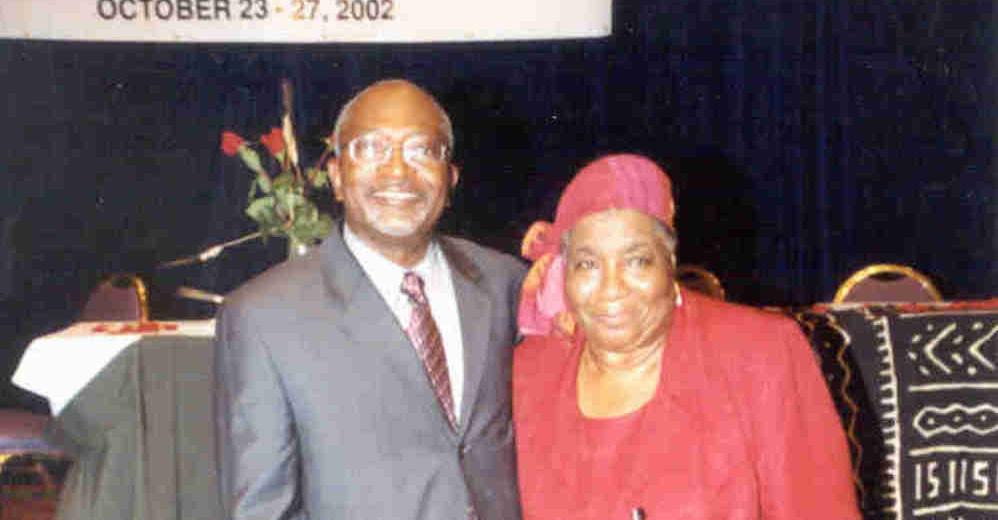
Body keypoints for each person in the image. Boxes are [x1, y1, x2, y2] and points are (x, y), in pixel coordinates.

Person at [214, 79, 527, 520]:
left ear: (450, 177)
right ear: (338, 177)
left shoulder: (505, 283)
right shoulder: (263, 318)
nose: (398, 171)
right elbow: (262, 511)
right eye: (371, 148)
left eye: (422, 150)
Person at [513, 154, 859, 520]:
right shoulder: (530, 373)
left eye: (636, 261)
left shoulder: (760, 353)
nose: (610, 288)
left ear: (670, 261)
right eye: (587, 264)